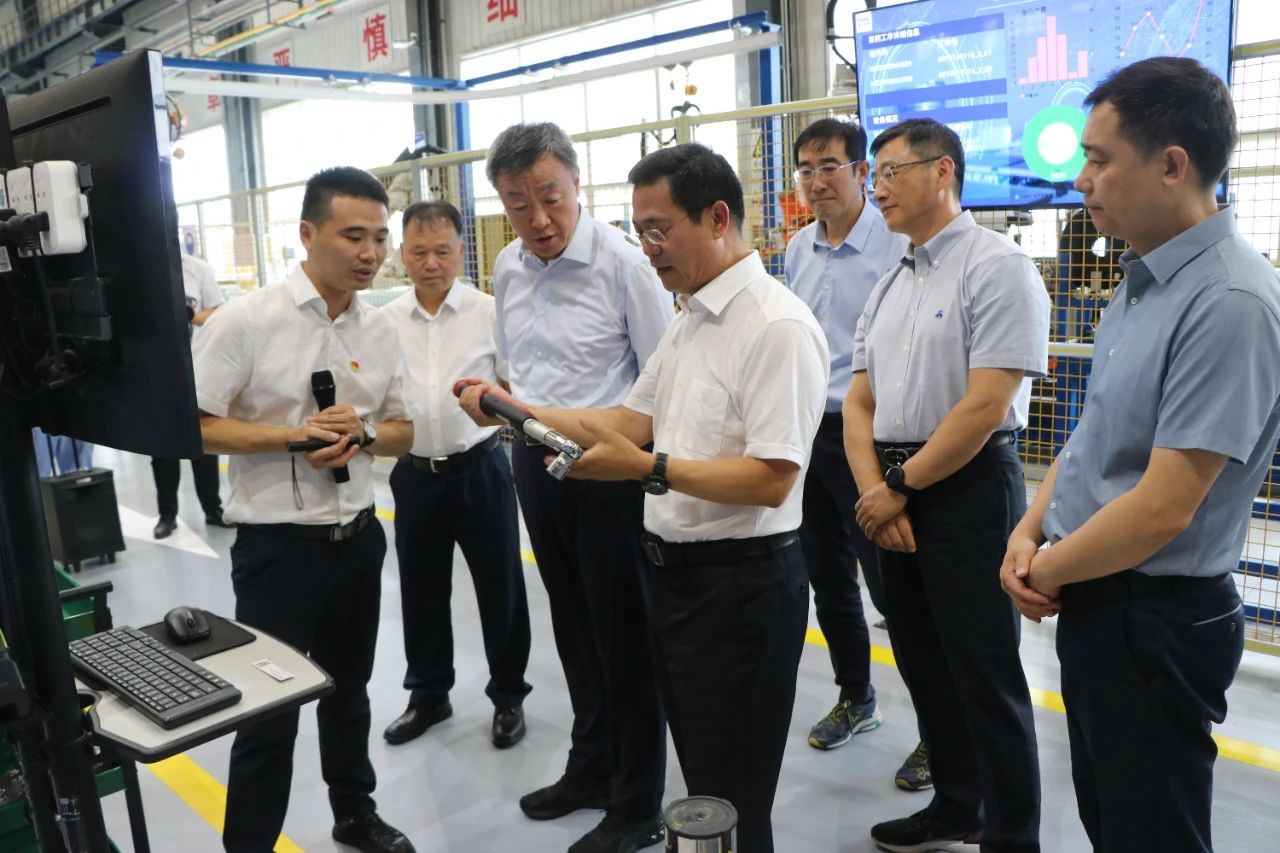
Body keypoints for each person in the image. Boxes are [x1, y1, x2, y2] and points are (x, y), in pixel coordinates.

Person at [461, 142, 828, 853]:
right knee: (702, 788)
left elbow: (772, 477)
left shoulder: (775, 327)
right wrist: (515, 411)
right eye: (640, 231)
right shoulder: (690, 320)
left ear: (716, 217)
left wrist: (649, 469)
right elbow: (626, 420)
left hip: (742, 587)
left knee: (733, 797)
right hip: (679, 579)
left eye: (660, 230)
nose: (648, 248)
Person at [1001, 57, 1280, 852]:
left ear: (1171, 165)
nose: (1081, 180)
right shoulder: (1143, 277)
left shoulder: (1229, 299)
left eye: (1098, 159)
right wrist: (1030, 530)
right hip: (1100, 596)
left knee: (1152, 831)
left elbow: (1163, 507)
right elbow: (1094, 436)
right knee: (1113, 819)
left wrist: (1046, 569)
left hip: (1156, 620)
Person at [192, 167, 417, 853]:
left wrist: (364, 433)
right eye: (354, 236)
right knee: (268, 712)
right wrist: (294, 436)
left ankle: (355, 812)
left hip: (358, 540)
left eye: (380, 237)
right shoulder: (246, 321)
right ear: (307, 233)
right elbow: (195, 425)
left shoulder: (380, 329)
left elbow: (404, 431)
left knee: (349, 692)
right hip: (278, 553)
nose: (371, 253)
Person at [844, 118, 1047, 852]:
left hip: (967, 486)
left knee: (985, 672)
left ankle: (1013, 835)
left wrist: (899, 485)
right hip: (893, 486)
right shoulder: (890, 283)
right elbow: (858, 402)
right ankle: (958, 804)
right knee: (923, 661)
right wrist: (877, 492)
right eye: (874, 175)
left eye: (891, 171)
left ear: (943, 171)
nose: (878, 189)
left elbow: (986, 405)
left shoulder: (997, 266)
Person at [481, 122, 674, 853]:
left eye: (550, 197)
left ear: (577, 183)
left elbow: (662, 382)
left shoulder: (625, 265)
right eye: (517, 203)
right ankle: (591, 766)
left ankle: (638, 802)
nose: (537, 219)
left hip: (610, 475)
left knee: (625, 637)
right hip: (536, 466)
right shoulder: (507, 267)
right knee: (574, 627)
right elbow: (515, 370)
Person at [784, 116, 933, 788]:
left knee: (895, 590)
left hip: (871, 440)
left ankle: (938, 731)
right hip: (809, 435)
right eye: (806, 169)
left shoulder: (897, 244)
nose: (817, 181)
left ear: (861, 172)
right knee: (828, 578)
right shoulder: (797, 249)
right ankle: (856, 697)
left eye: (830, 167)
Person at [380, 200, 532, 749]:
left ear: (461, 252)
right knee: (420, 589)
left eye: (442, 251)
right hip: (415, 473)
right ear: (402, 254)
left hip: (481, 470)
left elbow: (514, 386)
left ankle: (508, 696)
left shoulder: (489, 312)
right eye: (419, 252)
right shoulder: (384, 321)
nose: (431, 263)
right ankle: (428, 695)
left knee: (501, 586)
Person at [152, 251, 232, 539]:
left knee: (204, 440)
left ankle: (212, 508)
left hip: (199, 366)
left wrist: (189, 315)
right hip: (157, 370)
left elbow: (218, 313)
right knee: (162, 448)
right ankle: (167, 514)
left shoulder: (198, 269)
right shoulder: (142, 269)